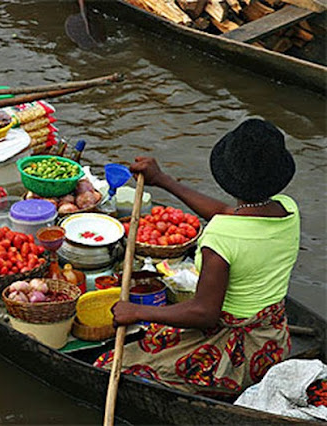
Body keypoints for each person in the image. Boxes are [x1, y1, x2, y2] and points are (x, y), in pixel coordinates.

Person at [94, 118, 300, 399]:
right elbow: (228, 214)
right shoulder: (288, 209)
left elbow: (205, 314)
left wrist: (136, 311)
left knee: (108, 366)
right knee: (155, 332)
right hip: (273, 338)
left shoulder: (221, 237)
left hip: (235, 353)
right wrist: (164, 181)